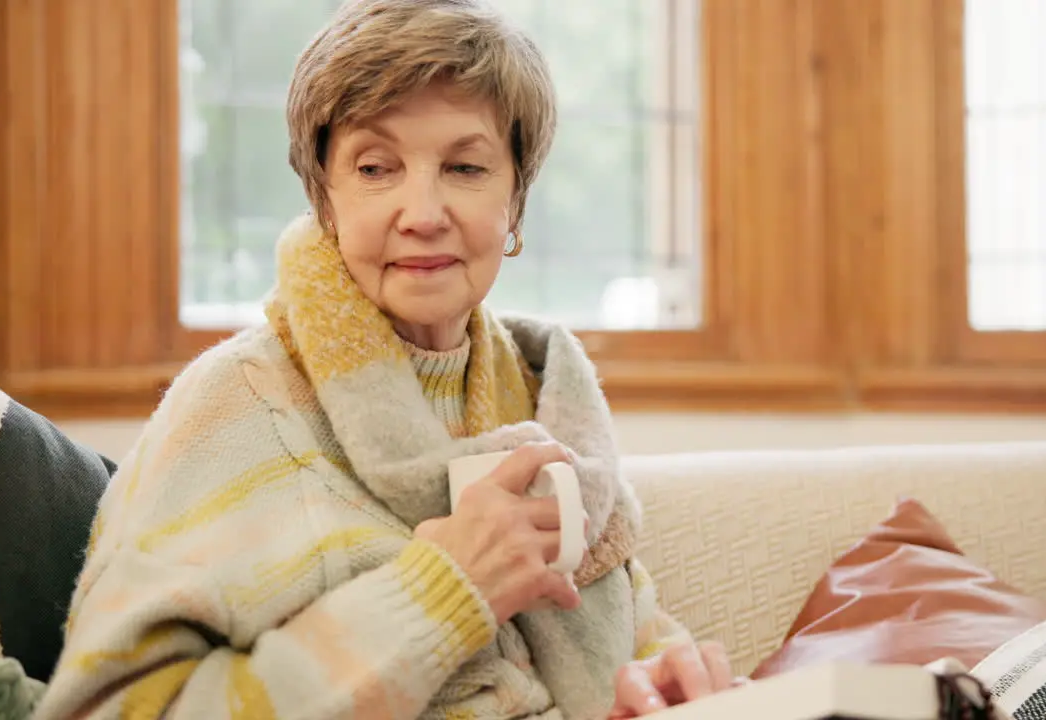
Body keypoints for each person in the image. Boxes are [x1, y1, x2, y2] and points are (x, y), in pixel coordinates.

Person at [36, 1, 739, 717]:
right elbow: (113, 708)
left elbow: (633, 638)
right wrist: (445, 591)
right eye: (376, 168)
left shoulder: (546, 404)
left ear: (515, 202)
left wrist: (669, 687)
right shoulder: (237, 405)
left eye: (466, 166)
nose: (424, 211)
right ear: (325, 198)